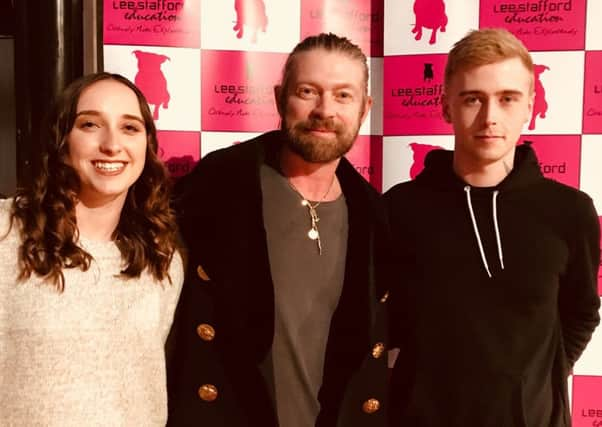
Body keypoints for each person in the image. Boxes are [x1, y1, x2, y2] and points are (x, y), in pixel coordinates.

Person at [167, 33, 390, 427]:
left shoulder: (375, 217)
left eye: (343, 95)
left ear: (365, 108)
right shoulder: (215, 187)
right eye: (308, 91)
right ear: (279, 97)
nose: (324, 110)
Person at [385, 28, 600, 426]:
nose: (490, 118)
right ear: (447, 105)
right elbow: (383, 319)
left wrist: (536, 381)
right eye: (473, 99)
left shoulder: (570, 211)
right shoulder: (400, 208)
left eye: (507, 99)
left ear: (530, 107)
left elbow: (582, 310)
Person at [0, 72, 184, 426]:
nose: (112, 144)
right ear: (62, 141)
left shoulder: (162, 259)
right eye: (90, 125)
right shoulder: (8, 234)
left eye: (130, 128)